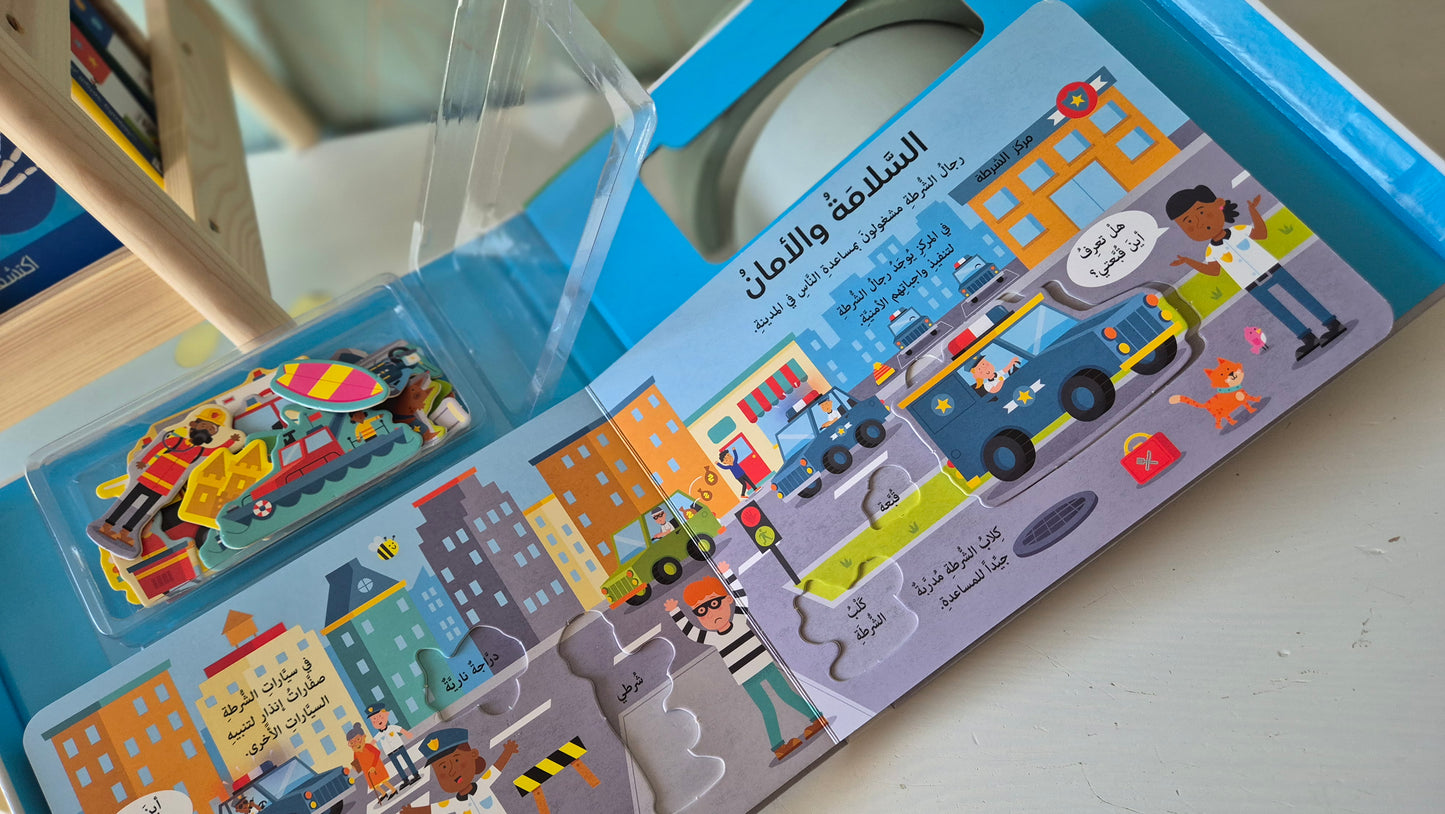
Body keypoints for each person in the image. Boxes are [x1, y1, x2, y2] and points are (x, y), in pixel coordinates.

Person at [666, 562, 827, 761]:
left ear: (727, 600)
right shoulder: (712, 637)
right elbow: (691, 632)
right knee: (766, 709)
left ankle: (817, 719)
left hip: (765, 665)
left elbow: (741, 598)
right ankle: (779, 747)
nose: (710, 613)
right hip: (746, 677)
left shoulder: (739, 620)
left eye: (714, 604)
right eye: (701, 611)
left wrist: (727, 574)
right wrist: (675, 612)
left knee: (786, 694)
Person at [1166, 184, 1346, 361]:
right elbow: (1213, 270)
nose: (1199, 223)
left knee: (1301, 296)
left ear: (1219, 205)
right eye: (1188, 222)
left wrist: (1253, 211)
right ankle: (1306, 337)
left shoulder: (1238, 231)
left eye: (1201, 212)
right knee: (1279, 310)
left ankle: (1332, 323)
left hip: (1274, 270)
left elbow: (1260, 233)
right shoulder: (1211, 251)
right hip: (1252, 285)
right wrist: (1188, 261)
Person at [89, 406, 242, 557]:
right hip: (148, 476)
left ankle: (126, 533)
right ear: (194, 425)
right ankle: (107, 525)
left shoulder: (200, 451)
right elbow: (155, 449)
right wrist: (142, 462)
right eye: (204, 426)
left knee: (145, 510)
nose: (206, 430)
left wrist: (230, 442)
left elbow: (214, 452)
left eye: (211, 430)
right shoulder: (174, 440)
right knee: (128, 501)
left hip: (166, 485)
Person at [401, 728, 520, 814]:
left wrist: (508, 752)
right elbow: (434, 809)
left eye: (456, 760)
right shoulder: (454, 804)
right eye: (443, 767)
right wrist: (413, 811)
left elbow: (496, 769)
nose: (452, 771)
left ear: (473, 754)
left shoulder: (483, 786)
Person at [367, 703, 421, 787]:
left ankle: (415, 774)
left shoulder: (391, 727)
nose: (378, 720)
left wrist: (407, 733)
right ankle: (405, 779)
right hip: (390, 752)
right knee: (397, 766)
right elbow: (373, 742)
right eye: (374, 720)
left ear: (385, 716)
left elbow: (400, 729)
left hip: (399, 747)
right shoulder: (379, 735)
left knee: (407, 760)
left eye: (380, 717)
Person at [347, 722, 398, 802]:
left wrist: (373, 766)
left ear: (364, 737)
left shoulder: (368, 746)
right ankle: (383, 793)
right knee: (374, 784)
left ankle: (393, 789)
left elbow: (377, 753)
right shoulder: (356, 753)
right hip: (367, 770)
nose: (356, 744)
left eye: (358, 739)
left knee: (383, 780)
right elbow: (357, 764)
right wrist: (354, 768)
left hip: (376, 766)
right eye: (352, 743)